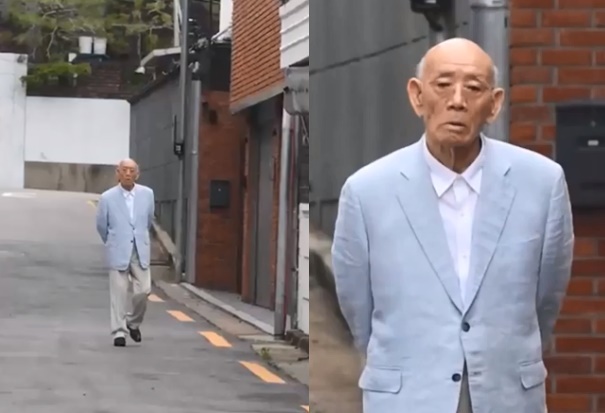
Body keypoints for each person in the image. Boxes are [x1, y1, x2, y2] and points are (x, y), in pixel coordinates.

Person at [332, 38, 574, 413]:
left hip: (507, 396)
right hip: (407, 398)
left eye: (473, 88)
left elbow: (547, 296)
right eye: (443, 85)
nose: (457, 101)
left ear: (494, 104)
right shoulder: (367, 191)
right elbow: (356, 304)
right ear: (417, 96)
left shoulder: (542, 182)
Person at [96, 158, 155, 347]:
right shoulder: (107, 197)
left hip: (139, 249)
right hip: (118, 249)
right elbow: (101, 225)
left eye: (131, 170)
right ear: (118, 173)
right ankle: (118, 332)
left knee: (144, 290)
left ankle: (132, 322)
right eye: (124, 170)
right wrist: (112, 241)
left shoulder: (147, 194)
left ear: (137, 174)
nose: (128, 174)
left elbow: (148, 220)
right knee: (118, 293)